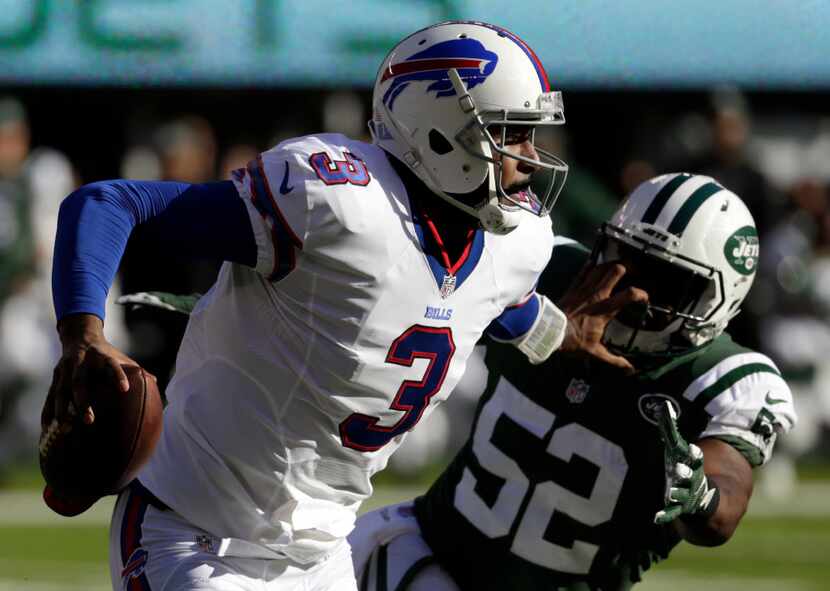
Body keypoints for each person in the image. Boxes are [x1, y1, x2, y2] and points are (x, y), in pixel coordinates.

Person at [42, 21, 643, 591]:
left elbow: (486, 308)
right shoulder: (334, 202)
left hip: (322, 555)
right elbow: (108, 204)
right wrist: (82, 334)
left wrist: (557, 332)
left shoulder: (515, 245)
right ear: (436, 132)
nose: (528, 156)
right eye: (509, 132)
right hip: (194, 534)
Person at [349, 173, 798, 591]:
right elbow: (423, 305)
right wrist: (538, 326)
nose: (636, 294)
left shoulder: (719, 376)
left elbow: (725, 503)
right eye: (629, 262)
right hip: (424, 553)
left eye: (668, 284)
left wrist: (700, 496)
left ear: (718, 301)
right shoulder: (553, 270)